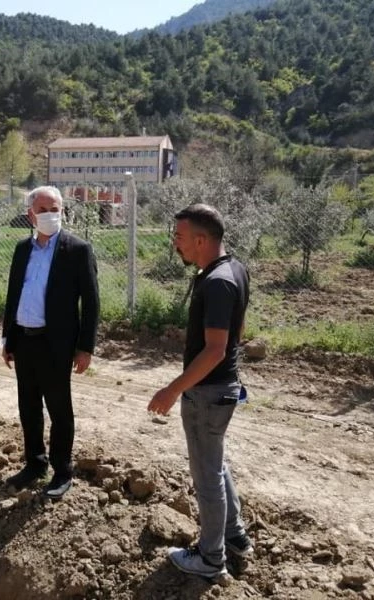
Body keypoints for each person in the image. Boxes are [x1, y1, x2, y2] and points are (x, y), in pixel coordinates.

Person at [147, 203, 252, 579]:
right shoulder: (233, 269)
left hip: (207, 393)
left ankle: (211, 559)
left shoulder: (217, 282)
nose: (175, 244)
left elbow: (215, 349)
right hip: (220, 388)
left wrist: (172, 390)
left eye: (179, 237)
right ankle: (234, 535)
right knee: (214, 464)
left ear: (201, 238)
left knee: (206, 477)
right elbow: (237, 332)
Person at [1, 186, 100, 499]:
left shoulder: (77, 249)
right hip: (25, 341)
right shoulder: (22, 250)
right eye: (43, 209)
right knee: (28, 406)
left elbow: (92, 302)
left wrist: (85, 347)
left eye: (55, 209)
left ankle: (61, 470)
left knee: (59, 409)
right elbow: (13, 295)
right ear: (31, 214)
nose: (50, 215)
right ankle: (35, 463)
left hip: (55, 344)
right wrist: (8, 337)